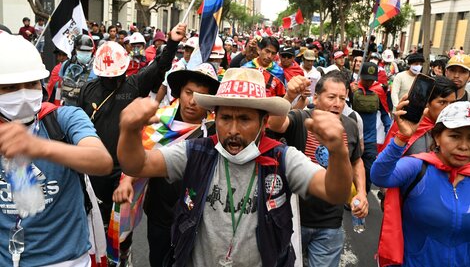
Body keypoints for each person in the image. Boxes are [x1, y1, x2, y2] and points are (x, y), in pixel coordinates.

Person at [117, 68, 353, 266]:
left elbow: (335, 192)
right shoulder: (195, 152)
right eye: (226, 118)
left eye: (244, 119)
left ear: (264, 122)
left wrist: (338, 152)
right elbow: (138, 164)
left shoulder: (283, 158)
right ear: (214, 117)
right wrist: (129, 130)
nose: (232, 130)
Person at [0, 31, 113, 267]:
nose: (22, 95)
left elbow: (101, 161)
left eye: (31, 84)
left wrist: (39, 147)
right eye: (10, 88)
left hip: (66, 260)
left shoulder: (63, 118)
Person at [78, 24, 185, 266]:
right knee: (96, 218)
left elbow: (160, 67)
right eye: (108, 76)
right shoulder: (88, 90)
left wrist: (172, 43)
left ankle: (123, 256)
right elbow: (79, 123)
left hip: (125, 170)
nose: (112, 79)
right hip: (94, 168)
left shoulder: (135, 84)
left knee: (122, 224)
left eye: (116, 75)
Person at [267, 71, 367, 267]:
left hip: (330, 224)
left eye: (342, 98)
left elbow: (356, 161)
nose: (337, 103)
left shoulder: (351, 125)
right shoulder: (300, 118)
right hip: (293, 220)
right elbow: (275, 123)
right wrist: (288, 96)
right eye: (331, 97)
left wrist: (362, 193)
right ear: (316, 97)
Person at [137, 63, 220, 267]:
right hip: (159, 213)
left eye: (200, 96)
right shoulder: (157, 122)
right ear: (179, 93)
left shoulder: (217, 130)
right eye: (188, 92)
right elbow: (140, 160)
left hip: (198, 217)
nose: (192, 101)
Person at [371, 100, 470, 267]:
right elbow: (380, 176)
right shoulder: (417, 167)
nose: (464, 146)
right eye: (454, 136)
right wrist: (401, 138)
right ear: (437, 137)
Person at [351, 62, 391, 193]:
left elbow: (385, 114)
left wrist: (388, 130)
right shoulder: (352, 90)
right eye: (366, 79)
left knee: (369, 172)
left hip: (370, 141)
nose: (368, 82)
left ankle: (363, 194)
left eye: (371, 80)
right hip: (353, 138)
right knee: (350, 169)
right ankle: (350, 196)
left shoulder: (378, 92)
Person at [59, 34, 97, 106]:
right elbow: (60, 86)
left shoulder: (98, 67)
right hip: (68, 109)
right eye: (81, 50)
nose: (85, 53)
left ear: (92, 50)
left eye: (88, 51)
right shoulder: (66, 65)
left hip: (87, 111)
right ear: (75, 49)